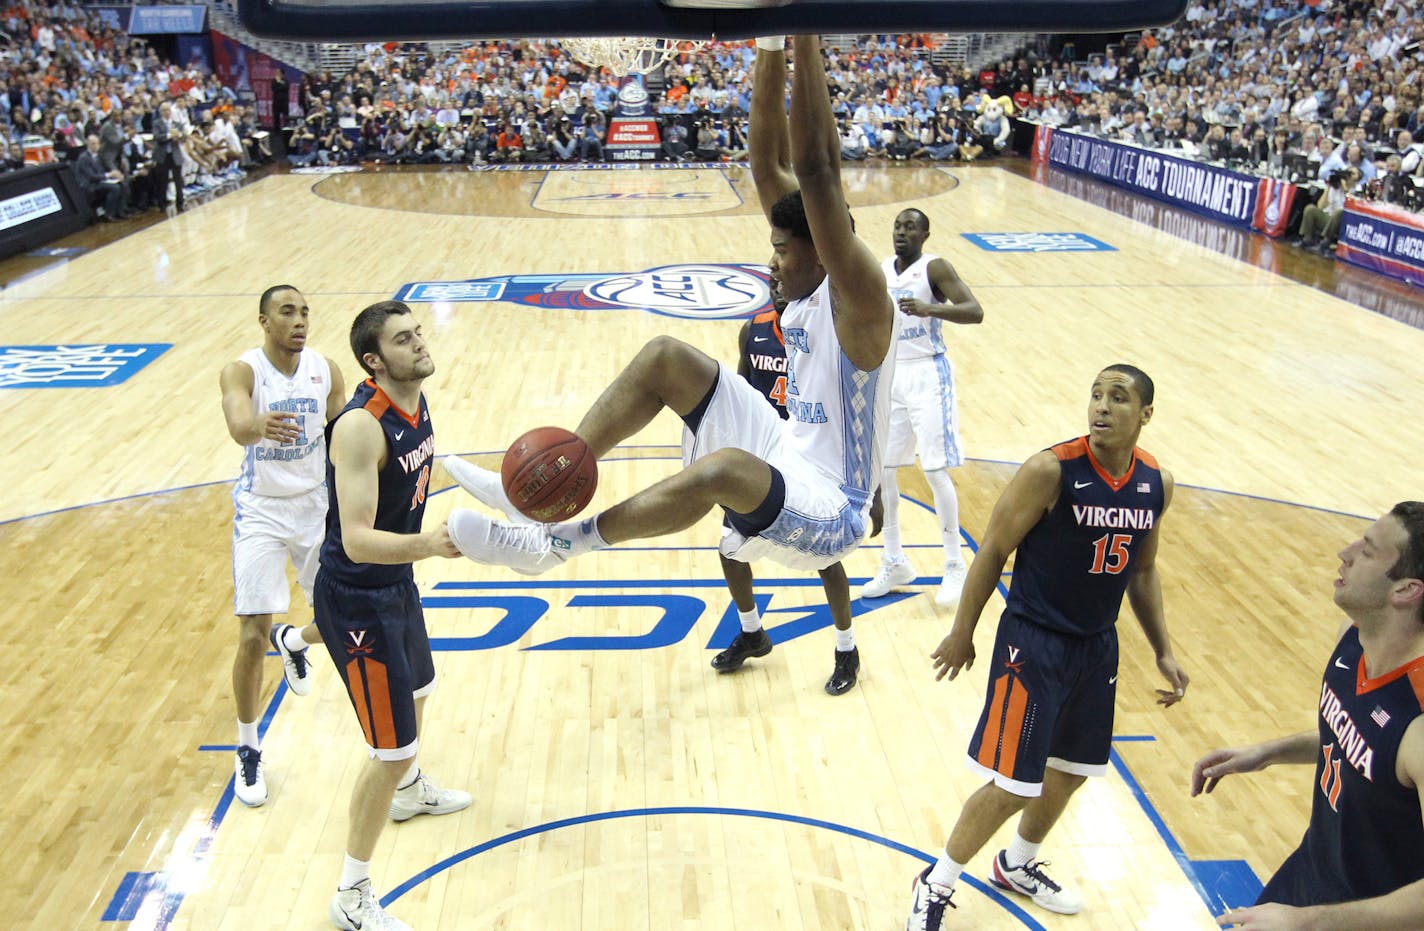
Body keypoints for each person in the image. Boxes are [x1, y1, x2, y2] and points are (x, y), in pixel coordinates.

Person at [442, 34, 898, 677]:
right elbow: (768, 164)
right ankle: (537, 494)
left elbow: (818, 169)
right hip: (788, 449)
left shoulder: (859, 297)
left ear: (825, 250)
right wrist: (769, 45)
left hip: (836, 507)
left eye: (783, 250)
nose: (771, 260)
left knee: (722, 468)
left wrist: (804, 25)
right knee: (665, 357)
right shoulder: (805, 280)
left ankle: (554, 544)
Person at [906, 365, 1190, 928]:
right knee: (1014, 782)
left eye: (1118, 398)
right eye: (1096, 395)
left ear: (1146, 415)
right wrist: (964, 631)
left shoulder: (1157, 481)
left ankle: (1018, 863)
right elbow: (991, 550)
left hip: (1096, 645)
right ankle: (934, 883)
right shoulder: (1050, 469)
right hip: (1032, 642)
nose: (1102, 407)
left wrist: (1163, 649)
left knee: (1074, 768)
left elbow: (1144, 570)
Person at [1193, 503, 1424, 930]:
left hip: (1368, 918)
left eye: (1368, 552)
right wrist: (1267, 753)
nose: (1345, 552)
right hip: (1310, 876)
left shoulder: (1419, 725)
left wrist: (1308, 923)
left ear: (1406, 590)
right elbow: (1361, 745)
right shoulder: (1355, 639)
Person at [315, 300, 468, 931]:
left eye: (419, 333)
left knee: (424, 689)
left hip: (396, 581)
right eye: (404, 340)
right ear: (374, 362)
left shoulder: (415, 399)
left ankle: (408, 793)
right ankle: (352, 893)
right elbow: (354, 539)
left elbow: (422, 474)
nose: (420, 345)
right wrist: (431, 544)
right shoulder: (359, 427)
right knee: (391, 747)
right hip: (358, 598)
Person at [219, 286, 347, 807]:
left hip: (315, 505)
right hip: (263, 511)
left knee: (342, 617)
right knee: (252, 635)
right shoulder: (243, 371)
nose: (299, 320)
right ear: (263, 321)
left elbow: (343, 433)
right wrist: (257, 425)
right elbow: (237, 424)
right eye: (287, 312)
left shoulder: (326, 369)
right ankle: (248, 747)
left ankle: (295, 643)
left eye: (304, 312)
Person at [711, 285, 865, 695]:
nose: (778, 284)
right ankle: (752, 633)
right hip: (761, 458)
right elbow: (739, 394)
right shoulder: (754, 330)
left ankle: (846, 650)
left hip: (808, 457)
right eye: (771, 278)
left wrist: (876, 487)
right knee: (730, 549)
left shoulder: (827, 333)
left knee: (827, 558)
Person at [860, 208, 982, 608]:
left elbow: (974, 311)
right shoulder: (881, 269)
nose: (901, 232)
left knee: (934, 469)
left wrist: (932, 309)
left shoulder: (935, 268)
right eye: (897, 226)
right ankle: (894, 560)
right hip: (892, 374)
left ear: (925, 234)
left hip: (929, 374)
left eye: (910, 227)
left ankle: (954, 565)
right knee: (886, 471)